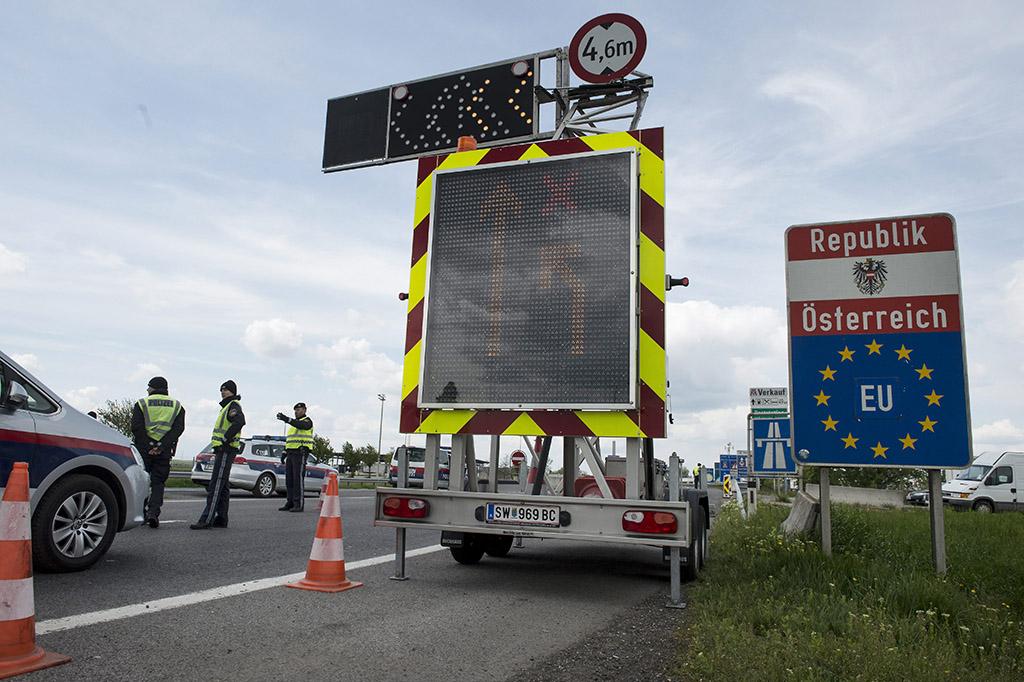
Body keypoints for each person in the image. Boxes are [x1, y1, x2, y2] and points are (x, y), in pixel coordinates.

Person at [131, 376, 185, 528]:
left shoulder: (142, 403)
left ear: (153, 387)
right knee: (158, 483)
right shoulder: (177, 406)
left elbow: (136, 427)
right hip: (164, 451)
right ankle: (153, 513)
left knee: (142, 482)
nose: (147, 389)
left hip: (144, 450)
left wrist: (149, 445)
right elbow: (178, 429)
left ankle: (141, 513)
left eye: (148, 386)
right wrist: (161, 446)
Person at [191, 380, 245, 530]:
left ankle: (206, 519)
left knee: (216, 484)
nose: (222, 392)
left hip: (226, 449)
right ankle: (221, 518)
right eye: (221, 390)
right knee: (223, 485)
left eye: (226, 390)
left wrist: (225, 438)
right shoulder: (227, 407)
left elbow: (239, 421)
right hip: (223, 450)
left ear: (233, 392)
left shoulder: (233, 405)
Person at [276, 402, 313, 512]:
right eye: (295, 410)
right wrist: (284, 452)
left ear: (304, 410)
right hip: (291, 453)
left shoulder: (307, 421)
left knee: (298, 479)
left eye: (298, 409)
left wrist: (287, 419)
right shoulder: (293, 426)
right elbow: (290, 440)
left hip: (300, 453)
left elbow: (301, 425)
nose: (296, 412)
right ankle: (290, 502)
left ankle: (298, 504)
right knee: (290, 479)